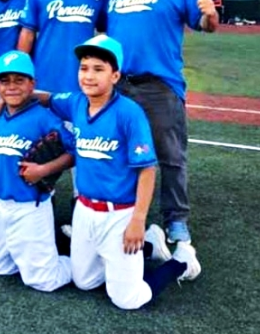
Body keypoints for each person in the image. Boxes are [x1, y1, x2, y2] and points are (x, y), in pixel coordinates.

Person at [48, 35, 200, 310]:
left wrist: (138, 220)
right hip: (84, 212)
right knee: (85, 282)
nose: (89, 76)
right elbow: (47, 98)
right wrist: (11, 98)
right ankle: (150, 246)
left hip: (120, 213)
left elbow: (146, 172)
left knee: (127, 299)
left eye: (99, 69)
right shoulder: (76, 103)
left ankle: (181, 261)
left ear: (115, 75)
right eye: (84, 68)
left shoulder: (129, 114)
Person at [105, 0, 218, 245]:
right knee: (116, 151)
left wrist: (210, 13)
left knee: (170, 156)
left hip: (160, 84)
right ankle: (119, 211)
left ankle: (176, 219)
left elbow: (205, 24)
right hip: (118, 84)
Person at [0, 51, 75, 292]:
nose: (11, 87)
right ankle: (37, 252)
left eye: (19, 80)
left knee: (43, 281)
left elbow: (75, 152)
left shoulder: (44, 118)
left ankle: (80, 263)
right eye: (5, 81)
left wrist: (44, 169)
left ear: (33, 84)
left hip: (30, 206)